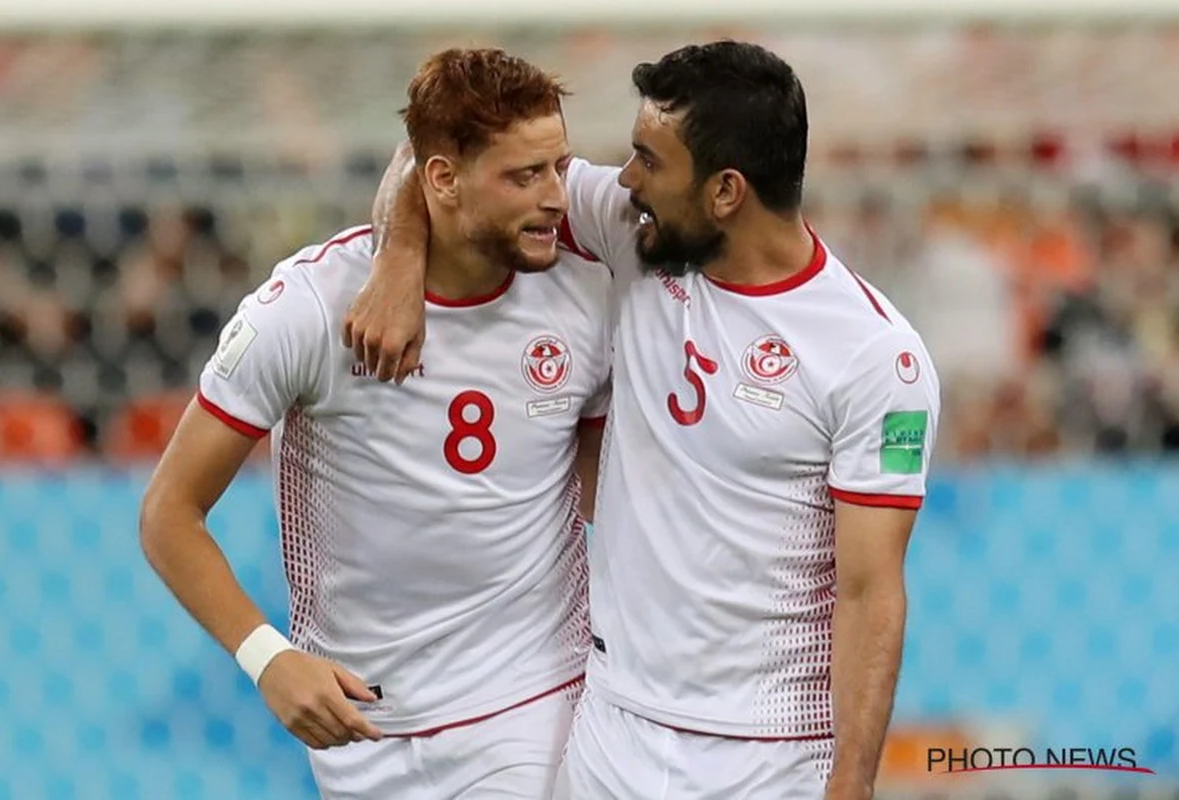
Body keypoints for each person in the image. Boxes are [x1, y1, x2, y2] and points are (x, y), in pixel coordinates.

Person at [348, 41, 941, 800]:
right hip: (611, 735)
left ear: (726, 192)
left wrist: (850, 786)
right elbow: (439, 160)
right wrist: (400, 256)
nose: (623, 179)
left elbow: (871, 593)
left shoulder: (873, 357)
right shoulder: (636, 236)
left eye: (649, 161)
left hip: (766, 756)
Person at [140, 48, 612, 799]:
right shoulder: (308, 310)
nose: (559, 196)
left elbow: (603, 493)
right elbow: (168, 512)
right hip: (365, 726)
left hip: (534, 701)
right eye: (525, 176)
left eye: (559, 166)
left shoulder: (589, 297)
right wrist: (267, 657)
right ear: (443, 181)